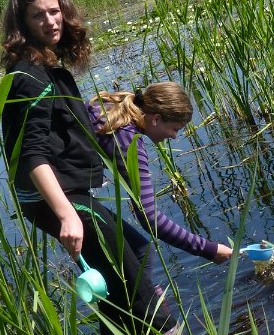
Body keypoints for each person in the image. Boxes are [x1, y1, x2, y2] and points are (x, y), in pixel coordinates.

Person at [0, 0, 180, 335]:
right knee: (136, 282)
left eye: (54, 11)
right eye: (38, 15)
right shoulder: (29, 79)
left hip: (68, 195)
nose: (51, 21)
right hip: (58, 199)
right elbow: (32, 155)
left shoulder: (48, 70)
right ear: (22, 23)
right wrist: (66, 214)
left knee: (135, 253)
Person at [86, 83, 233, 280]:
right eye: (175, 129)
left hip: (62, 189)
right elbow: (150, 218)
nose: (174, 136)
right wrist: (209, 249)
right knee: (140, 255)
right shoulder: (129, 142)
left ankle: (141, 295)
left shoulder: (110, 107)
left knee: (138, 254)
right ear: (155, 119)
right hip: (61, 195)